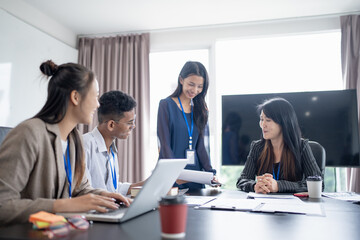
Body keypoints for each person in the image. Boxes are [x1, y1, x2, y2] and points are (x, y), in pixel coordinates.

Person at [0, 60, 131, 225]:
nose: (98, 104)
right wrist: (61, 205)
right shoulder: (29, 133)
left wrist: (103, 196)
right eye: (96, 96)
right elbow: (2, 204)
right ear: (75, 97)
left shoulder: (74, 139)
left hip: (58, 230)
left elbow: (80, 189)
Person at [236, 97, 322, 193]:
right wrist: (254, 186)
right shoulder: (257, 147)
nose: (263, 124)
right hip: (263, 205)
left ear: (284, 123)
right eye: (261, 119)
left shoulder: (301, 146)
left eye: (268, 120)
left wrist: (278, 186)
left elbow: (318, 184)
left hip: (293, 206)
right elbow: (242, 180)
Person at [157, 61, 217, 190]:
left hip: (195, 175)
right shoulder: (166, 105)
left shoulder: (201, 110)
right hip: (172, 175)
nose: (195, 90)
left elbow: (201, 147)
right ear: (181, 80)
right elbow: (165, 144)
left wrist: (210, 173)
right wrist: (174, 173)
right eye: (191, 84)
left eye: (200, 86)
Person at [83, 90, 144, 195]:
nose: (133, 126)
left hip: (109, 208)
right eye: (130, 123)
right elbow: (84, 192)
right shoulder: (84, 146)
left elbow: (114, 190)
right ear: (111, 125)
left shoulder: (112, 150)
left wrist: (150, 182)